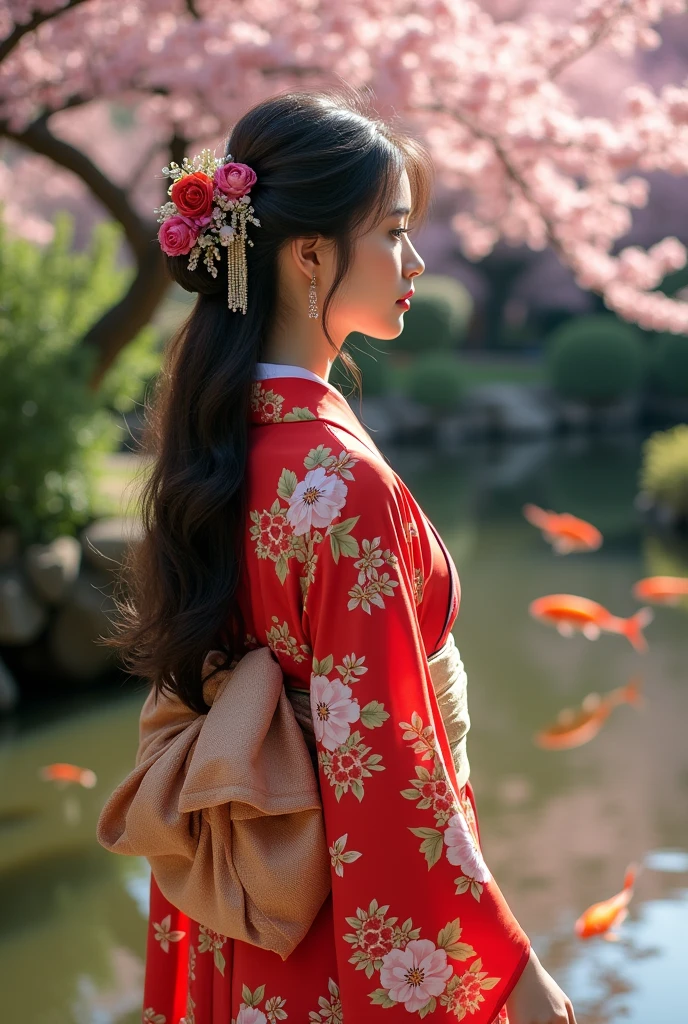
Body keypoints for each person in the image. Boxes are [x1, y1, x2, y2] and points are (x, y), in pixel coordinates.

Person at [99, 85, 577, 1024]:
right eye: (393, 232)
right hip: (338, 887)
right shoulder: (336, 482)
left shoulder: (216, 441)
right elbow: (389, 755)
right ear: (309, 254)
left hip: (248, 874)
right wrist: (508, 963)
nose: (416, 260)